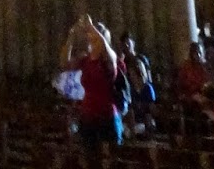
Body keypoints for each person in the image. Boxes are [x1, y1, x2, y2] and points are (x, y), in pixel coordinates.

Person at [61, 25, 123, 153]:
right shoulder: (85, 60)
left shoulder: (109, 60)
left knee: (109, 157)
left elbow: (107, 51)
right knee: (89, 157)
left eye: (95, 38)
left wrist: (91, 26)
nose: (91, 40)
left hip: (107, 117)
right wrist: (71, 37)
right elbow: (64, 62)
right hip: (88, 116)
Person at [128, 56, 156, 135]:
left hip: (146, 121)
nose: (131, 77)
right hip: (134, 121)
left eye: (133, 74)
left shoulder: (147, 88)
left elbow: (151, 110)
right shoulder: (131, 89)